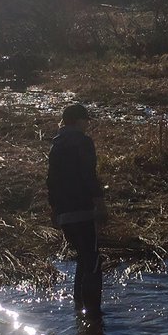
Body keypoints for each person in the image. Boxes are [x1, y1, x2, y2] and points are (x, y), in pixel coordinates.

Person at [47, 103, 107, 312]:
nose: (87, 125)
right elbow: (89, 176)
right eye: (85, 120)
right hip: (82, 208)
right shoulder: (83, 142)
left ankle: (79, 309)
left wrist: (54, 209)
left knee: (83, 258)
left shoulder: (56, 144)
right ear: (78, 120)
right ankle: (93, 314)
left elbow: (51, 182)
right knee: (92, 261)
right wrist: (100, 203)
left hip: (64, 212)